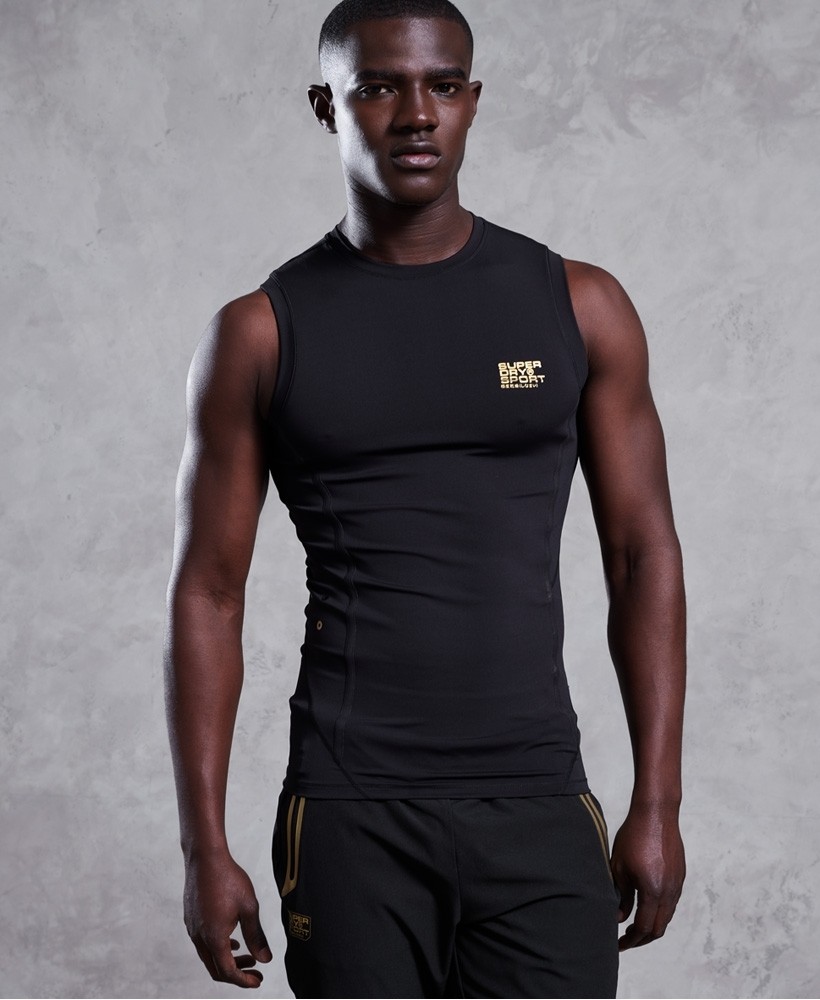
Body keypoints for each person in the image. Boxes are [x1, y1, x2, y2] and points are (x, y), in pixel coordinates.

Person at [164, 0, 686, 996]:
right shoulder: (259, 334)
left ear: (472, 101)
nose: (415, 114)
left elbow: (641, 555)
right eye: (377, 87)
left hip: (537, 796)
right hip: (350, 811)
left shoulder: (578, 305)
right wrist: (204, 847)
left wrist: (657, 802)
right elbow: (209, 594)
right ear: (327, 106)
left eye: (442, 85)